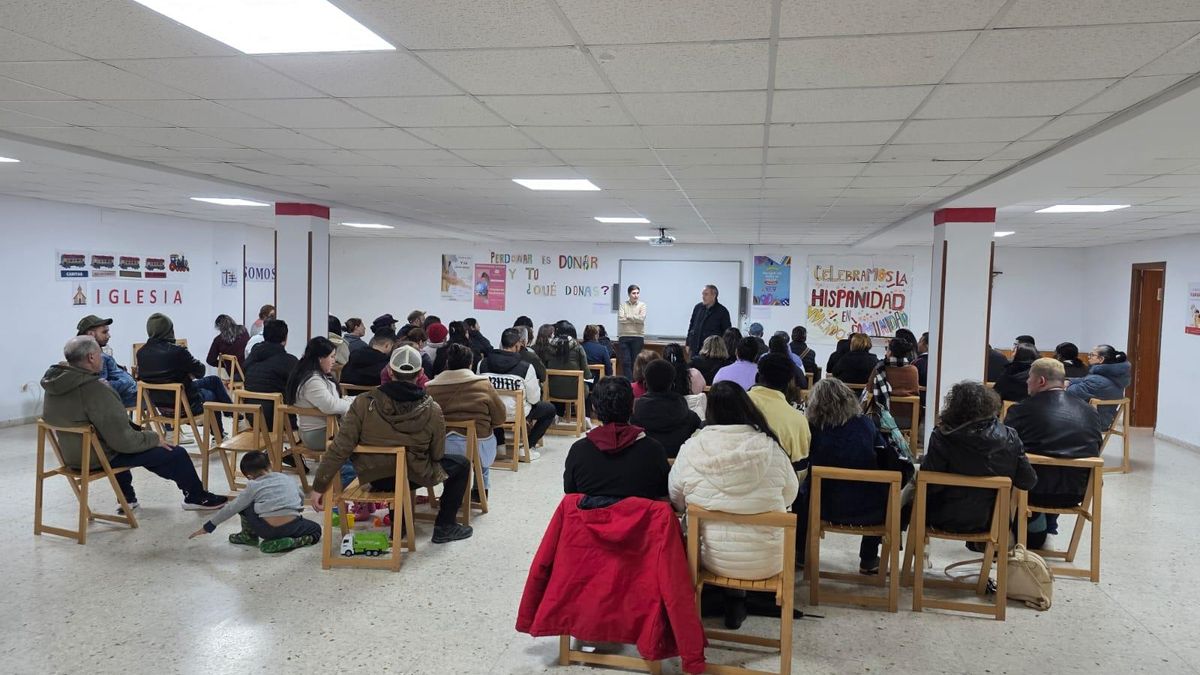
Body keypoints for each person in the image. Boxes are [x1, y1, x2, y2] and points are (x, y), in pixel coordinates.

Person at [309, 345, 473, 544]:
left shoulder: (362, 402)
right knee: (461, 464)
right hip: (414, 475)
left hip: (376, 477)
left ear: (389, 371)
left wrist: (320, 485)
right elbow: (437, 454)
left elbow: (340, 447)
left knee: (393, 465)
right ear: (420, 373)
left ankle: (400, 526)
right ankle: (445, 526)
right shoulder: (432, 408)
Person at [42, 336, 227, 510]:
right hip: (97, 457)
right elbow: (123, 441)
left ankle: (127, 499)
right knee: (175, 452)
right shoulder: (95, 389)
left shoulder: (54, 387)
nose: (102, 357)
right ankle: (196, 496)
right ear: (91, 357)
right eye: (100, 353)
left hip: (72, 456)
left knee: (131, 446)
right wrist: (154, 438)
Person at [669, 380, 798, 627]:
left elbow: (676, 498)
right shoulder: (771, 448)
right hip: (767, 559)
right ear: (746, 408)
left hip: (708, 558)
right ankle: (736, 602)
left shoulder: (692, 448)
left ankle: (718, 601)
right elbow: (789, 495)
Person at [796, 378, 900, 575]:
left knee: (800, 490)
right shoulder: (866, 425)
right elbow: (884, 458)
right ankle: (868, 558)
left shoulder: (813, 428)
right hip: (869, 508)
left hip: (822, 505)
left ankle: (801, 551)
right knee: (882, 489)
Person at [1005, 358, 1102, 546]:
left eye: (1029, 378)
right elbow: (1095, 446)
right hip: (1078, 491)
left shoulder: (1021, 410)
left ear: (1041, 381)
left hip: (1033, 490)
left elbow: (1006, 448)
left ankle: (1014, 530)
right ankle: (1041, 526)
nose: (1026, 382)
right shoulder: (1089, 411)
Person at [921, 381, 1036, 534]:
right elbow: (1028, 481)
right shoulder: (1010, 437)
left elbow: (930, 484)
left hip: (941, 517)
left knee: (916, 482)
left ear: (953, 407)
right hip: (992, 521)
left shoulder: (942, 436)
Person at [189, 451, 319, 553]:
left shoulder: (253, 486)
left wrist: (209, 526)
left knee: (245, 504)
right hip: (293, 526)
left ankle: (248, 537)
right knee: (316, 529)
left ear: (250, 477)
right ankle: (292, 542)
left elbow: (232, 508)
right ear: (270, 465)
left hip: (267, 530)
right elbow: (300, 496)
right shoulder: (287, 478)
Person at [564, 377, 670, 499]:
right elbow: (663, 490)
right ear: (633, 405)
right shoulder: (653, 450)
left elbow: (570, 491)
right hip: (638, 517)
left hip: (593, 518)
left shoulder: (578, 450)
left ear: (594, 407)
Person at [136, 312, 232, 435]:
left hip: (162, 407)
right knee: (212, 394)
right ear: (169, 330)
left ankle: (230, 414)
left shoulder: (141, 353)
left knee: (214, 380)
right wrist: (186, 373)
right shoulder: (178, 351)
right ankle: (221, 430)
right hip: (185, 405)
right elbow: (200, 372)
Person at [426, 344, 506, 490]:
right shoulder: (483, 384)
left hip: (441, 448)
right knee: (485, 453)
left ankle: (450, 490)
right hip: (478, 446)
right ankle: (481, 489)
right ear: (470, 364)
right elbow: (500, 418)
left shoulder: (430, 387)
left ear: (447, 363)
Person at [477, 327, 556, 453]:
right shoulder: (525, 367)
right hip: (517, 413)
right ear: (518, 345)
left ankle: (499, 444)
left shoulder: (482, 364)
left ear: (501, 343)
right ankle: (526, 447)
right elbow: (534, 399)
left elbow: (479, 392)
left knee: (495, 403)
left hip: (490, 413)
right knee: (550, 410)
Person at [284, 337, 352, 451]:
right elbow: (330, 406)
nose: (334, 361)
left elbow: (331, 400)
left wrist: (349, 400)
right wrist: (352, 404)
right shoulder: (312, 381)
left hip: (322, 430)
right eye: (332, 357)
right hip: (318, 434)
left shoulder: (311, 375)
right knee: (368, 435)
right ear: (320, 358)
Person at [747, 353, 812, 469]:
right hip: (778, 483)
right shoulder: (798, 421)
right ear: (789, 384)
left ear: (757, 377)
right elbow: (800, 469)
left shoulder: (734, 404)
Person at [630, 360, 701, 458]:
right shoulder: (690, 417)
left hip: (643, 466)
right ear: (672, 385)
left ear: (645, 384)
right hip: (679, 468)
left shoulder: (632, 416)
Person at [243, 319, 299, 429]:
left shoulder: (251, 358)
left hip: (252, 417)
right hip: (281, 420)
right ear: (285, 339)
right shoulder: (290, 361)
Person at [75, 315, 137, 407]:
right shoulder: (98, 357)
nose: (109, 336)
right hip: (127, 398)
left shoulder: (81, 353)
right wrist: (127, 381)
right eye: (104, 332)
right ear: (90, 334)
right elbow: (101, 387)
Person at [1067, 345, 1131, 429]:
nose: (1089, 357)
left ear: (1101, 359)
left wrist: (1065, 384)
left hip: (1092, 423)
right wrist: (1069, 381)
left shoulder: (1097, 381)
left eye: (1092, 355)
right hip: (1102, 419)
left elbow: (1070, 392)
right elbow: (1084, 380)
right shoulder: (1113, 377)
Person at [546, 321, 592, 416]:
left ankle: (557, 416)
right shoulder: (578, 348)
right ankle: (585, 417)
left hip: (551, 390)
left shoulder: (548, 348)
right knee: (587, 386)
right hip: (574, 391)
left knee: (558, 383)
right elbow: (587, 375)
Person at [686, 284, 733, 358]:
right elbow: (691, 326)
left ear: (714, 295)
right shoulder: (698, 308)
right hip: (695, 349)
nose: (703, 297)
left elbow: (727, 333)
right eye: (703, 294)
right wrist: (688, 343)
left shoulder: (722, 311)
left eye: (706, 294)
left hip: (712, 352)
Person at [616, 284, 647, 380]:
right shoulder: (623, 305)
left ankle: (636, 383)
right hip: (624, 336)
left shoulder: (642, 305)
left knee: (636, 362)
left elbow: (641, 319)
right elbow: (621, 319)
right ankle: (629, 384)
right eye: (633, 293)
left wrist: (628, 316)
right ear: (629, 294)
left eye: (638, 293)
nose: (636, 295)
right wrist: (635, 318)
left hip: (638, 336)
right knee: (626, 362)